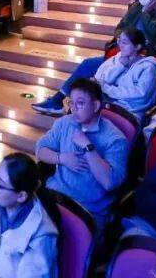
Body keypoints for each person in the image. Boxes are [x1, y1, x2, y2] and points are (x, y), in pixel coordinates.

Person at [34, 78, 130, 240]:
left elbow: (109, 182)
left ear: (96, 105)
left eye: (80, 103)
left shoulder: (115, 139)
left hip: (87, 210)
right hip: (54, 197)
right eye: (71, 103)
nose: (73, 108)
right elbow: (40, 149)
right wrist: (61, 158)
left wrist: (88, 147)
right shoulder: (65, 123)